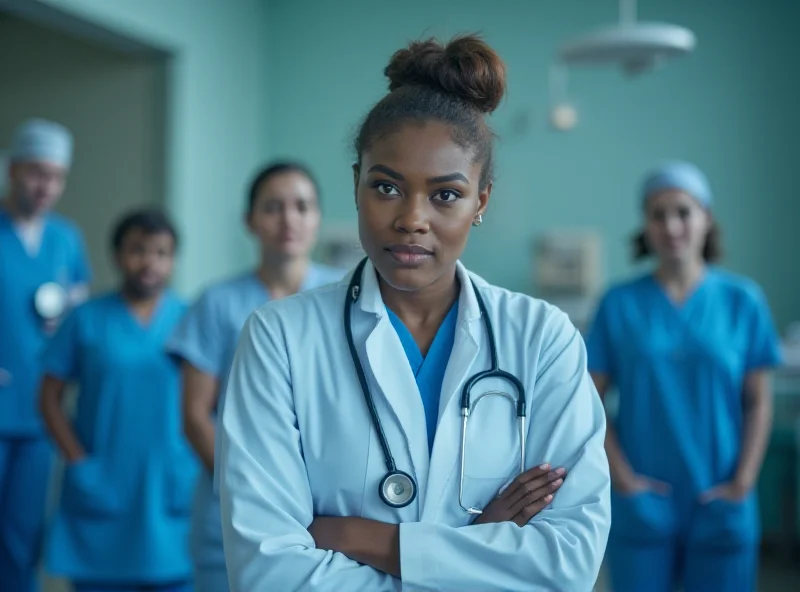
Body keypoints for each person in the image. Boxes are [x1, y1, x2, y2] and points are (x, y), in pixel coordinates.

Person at [217, 34, 611, 591]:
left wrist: (368, 540)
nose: (412, 219)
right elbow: (268, 571)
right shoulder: (279, 338)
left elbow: (568, 563)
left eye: (446, 195)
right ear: (356, 185)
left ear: (482, 201)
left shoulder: (542, 340)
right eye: (386, 187)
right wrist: (478, 544)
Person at [584, 161, 783, 592]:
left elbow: (758, 401)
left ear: (706, 218)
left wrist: (743, 482)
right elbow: (588, 399)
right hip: (643, 499)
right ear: (646, 226)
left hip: (722, 498)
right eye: (658, 214)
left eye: (683, 212)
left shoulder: (741, 300)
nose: (671, 225)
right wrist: (623, 479)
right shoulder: (619, 304)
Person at [166, 162, 345, 592]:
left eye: (302, 207)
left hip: (329, 507)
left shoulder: (347, 297)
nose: (289, 220)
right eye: (273, 207)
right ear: (250, 220)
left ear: (318, 218)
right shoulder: (218, 302)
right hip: (233, 507)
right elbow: (194, 416)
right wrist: (246, 489)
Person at [38, 209, 198, 592]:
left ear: (173, 261)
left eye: (161, 252)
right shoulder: (86, 319)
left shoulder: (190, 320)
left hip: (169, 489)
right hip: (102, 485)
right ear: (116, 255)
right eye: (138, 249)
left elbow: (214, 402)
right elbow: (47, 399)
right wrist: (77, 460)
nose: (149, 262)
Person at [0, 118, 92, 592]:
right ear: (12, 169)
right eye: (36, 173)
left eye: (55, 177)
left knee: (23, 537)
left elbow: (77, 318)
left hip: (39, 415)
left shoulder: (65, 239)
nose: (45, 186)